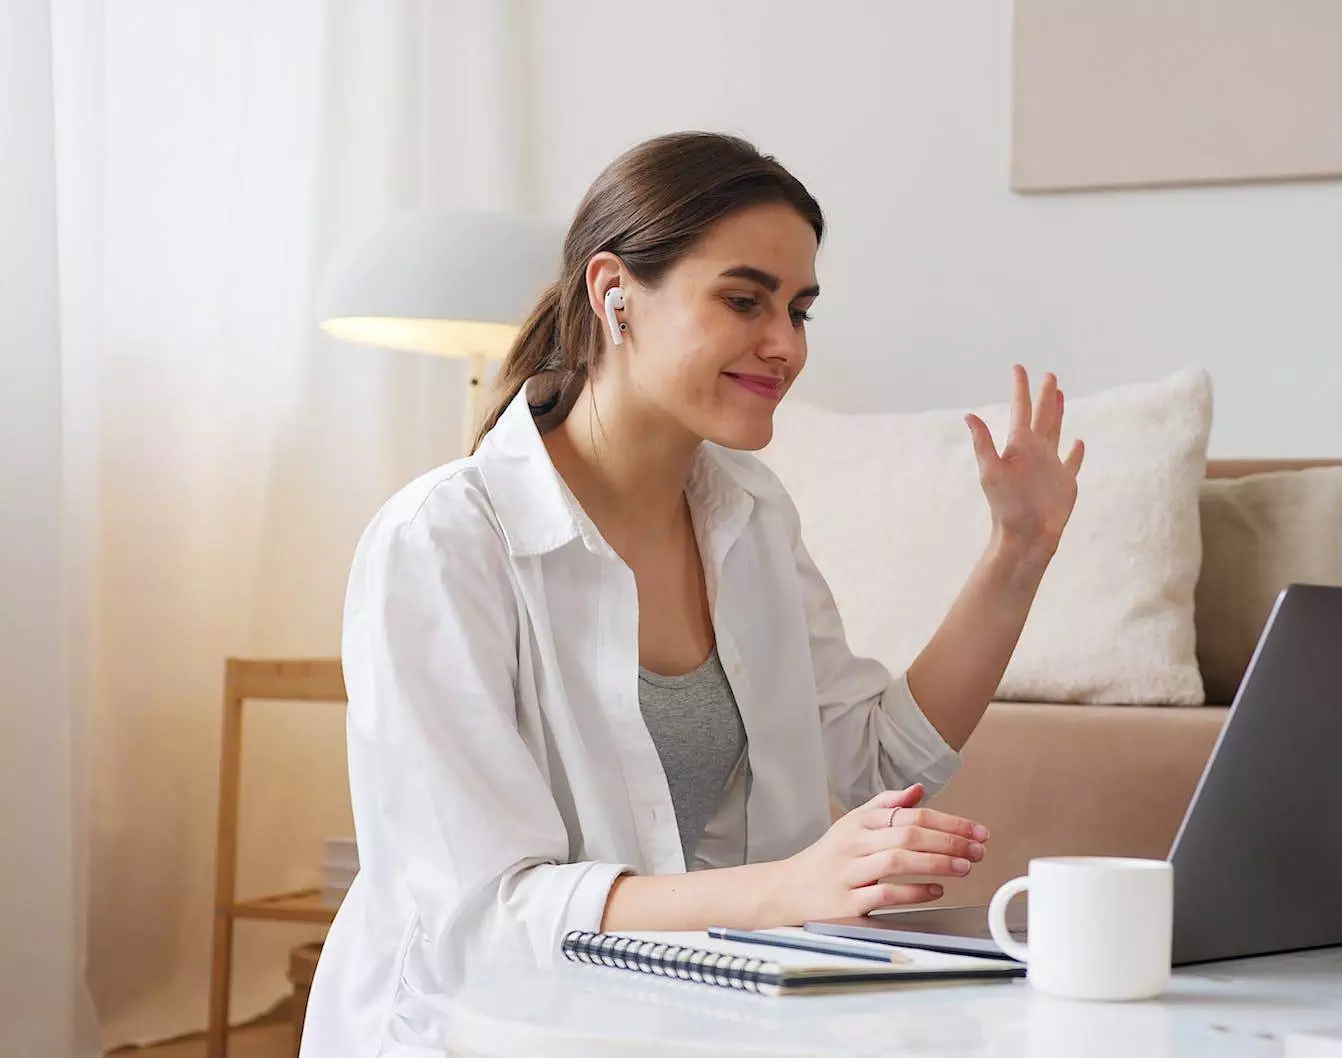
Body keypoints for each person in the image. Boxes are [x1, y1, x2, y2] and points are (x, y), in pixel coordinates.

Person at [300, 132, 1085, 1056]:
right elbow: (485, 919)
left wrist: (1017, 553)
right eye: (744, 300)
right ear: (613, 293)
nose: (784, 344)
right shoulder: (442, 542)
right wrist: (792, 889)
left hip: (696, 1016)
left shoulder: (750, 514)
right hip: (485, 1028)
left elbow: (875, 759)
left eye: (800, 310)